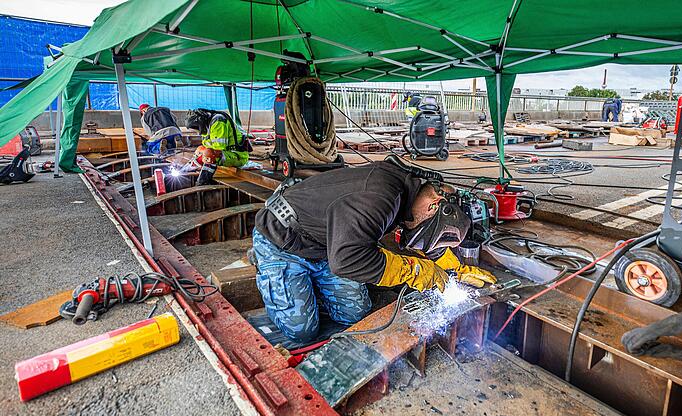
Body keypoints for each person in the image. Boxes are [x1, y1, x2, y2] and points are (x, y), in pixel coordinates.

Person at [250, 159, 497, 343]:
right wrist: (414, 270)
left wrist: (457, 270)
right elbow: (348, 261)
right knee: (302, 331)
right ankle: (268, 266)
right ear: (434, 206)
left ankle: (307, 286)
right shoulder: (379, 198)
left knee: (355, 314)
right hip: (282, 241)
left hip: (328, 246)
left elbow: (429, 245)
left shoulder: (409, 193)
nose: (419, 242)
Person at [185, 108, 250, 169]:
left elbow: (218, 149)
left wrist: (199, 160)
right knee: (200, 149)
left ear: (201, 123)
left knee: (209, 154)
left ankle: (203, 180)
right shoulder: (208, 125)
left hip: (237, 156)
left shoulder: (218, 122)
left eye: (197, 128)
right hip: (226, 153)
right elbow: (206, 147)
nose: (198, 132)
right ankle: (189, 168)